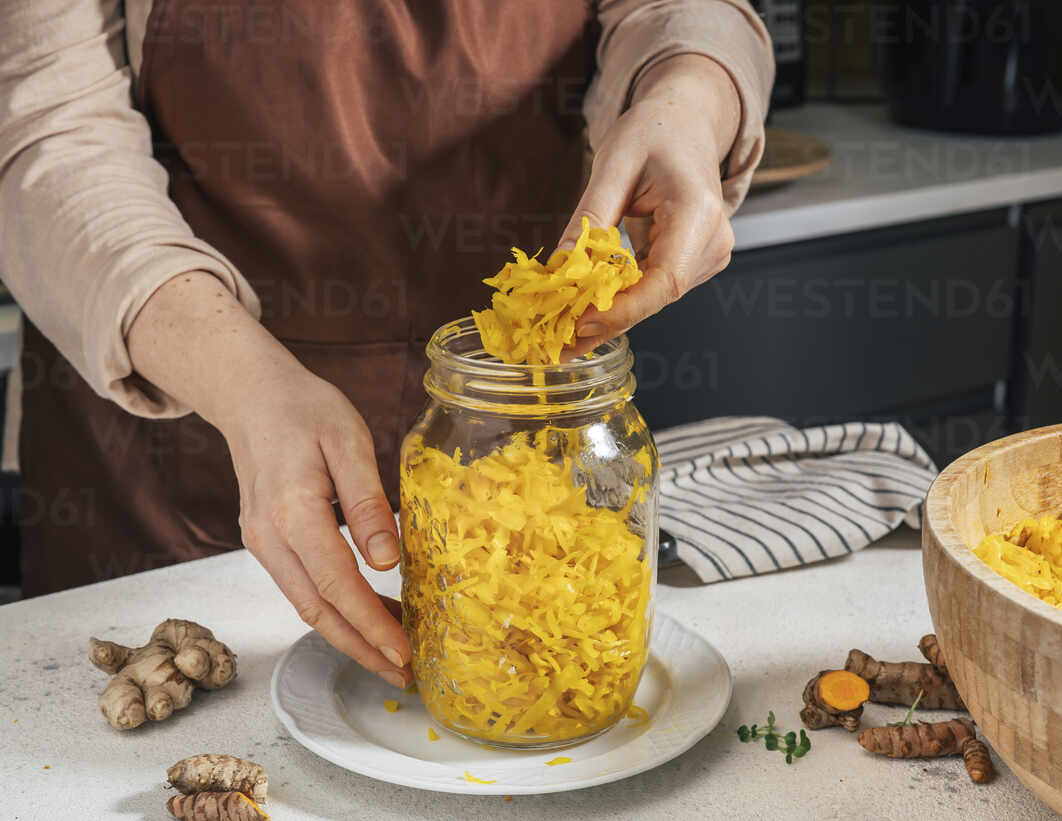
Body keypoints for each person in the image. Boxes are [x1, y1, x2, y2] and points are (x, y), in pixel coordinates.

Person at [0, 1, 772, 687]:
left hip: (520, 405)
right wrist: (242, 383)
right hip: (179, 428)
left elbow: (680, 11)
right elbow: (47, 131)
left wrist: (688, 97)